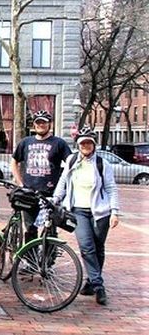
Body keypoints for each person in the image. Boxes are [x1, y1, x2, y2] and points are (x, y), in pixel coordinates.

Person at [53, 127, 119, 306]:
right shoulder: (72, 160)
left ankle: (91, 281)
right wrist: (56, 199)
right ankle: (99, 286)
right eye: (83, 143)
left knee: (98, 248)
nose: (86, 146)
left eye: (89, 143)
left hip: (100, 212)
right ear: (78, 145)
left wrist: (114, 212)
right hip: (78, 210)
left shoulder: (102, 164)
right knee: (86, 247)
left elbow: (111, 188)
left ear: (94, 145)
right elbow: (63, 181)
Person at [10, 109, 71, 240]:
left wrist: (63, 185)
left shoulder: (59, 143)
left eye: (44, 122)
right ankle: (30, 253)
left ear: (50, 124)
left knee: (49, 228)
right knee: (30, 228)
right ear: (34, 125)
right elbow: (14, 161)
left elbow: (70, 163)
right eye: (38, 123)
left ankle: (48, 253)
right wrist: (20, 183)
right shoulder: (26, 142)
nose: (41, 125)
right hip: (29, 193)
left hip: (49, 194)